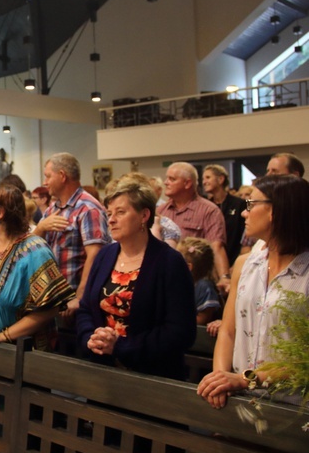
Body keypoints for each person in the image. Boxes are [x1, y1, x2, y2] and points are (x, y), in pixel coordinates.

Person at [197, 175, 309, 409]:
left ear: (276, 211)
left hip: (293, 406)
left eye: (251, 204)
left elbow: (304, 360)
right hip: (240, 398)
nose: (244, 213)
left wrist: (245, 379)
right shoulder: (246, 264)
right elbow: (228, 330)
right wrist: (220, 378)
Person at [76, 174, 197, 380]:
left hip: (152, 374)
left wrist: (122, 347)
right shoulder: (105, 255)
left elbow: (180, 331)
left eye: (120, 212)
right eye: (109, 213)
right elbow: (86, 308)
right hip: (103, 368)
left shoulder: (169, 261)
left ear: (144, 216)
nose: (111, 219)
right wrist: (91, 338)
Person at [0, 185, 74, 351]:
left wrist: (2, 336)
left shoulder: (35, 251)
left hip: (22, 354)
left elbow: (50, 308)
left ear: (0, 213)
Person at [35, 153, 111, 317]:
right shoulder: (53, 209)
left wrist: (80, 296)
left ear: (62, 176)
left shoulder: (88, 208)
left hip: (75, 301)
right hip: (53, 299)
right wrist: (40, 228)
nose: (45, 182)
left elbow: (95, 254)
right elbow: (33, 247)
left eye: (48, 176)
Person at [157, 162, 230, 292]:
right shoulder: (161, 211)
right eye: (167, 178)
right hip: (165, 281)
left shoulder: (209, 210)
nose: (165, 182)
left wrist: (224, 277)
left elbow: (216, 246)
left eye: (172, 179)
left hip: (196, 284)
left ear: (187, 183)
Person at [202, 164, 248, 265]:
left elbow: (244, 236)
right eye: (203, 179)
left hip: (235, 259)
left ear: (220, 179)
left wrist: (238, 263)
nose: (204, 182)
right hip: (211, 262)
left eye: (208, 177)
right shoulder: (205, 207)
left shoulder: (239, 204)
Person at [177, 237, 222, 325]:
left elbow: (203, 319)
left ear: (188, 267)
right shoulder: (180, 284)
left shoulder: (204, 286)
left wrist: (177, 323)